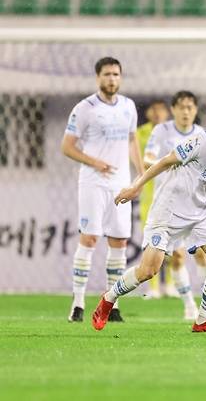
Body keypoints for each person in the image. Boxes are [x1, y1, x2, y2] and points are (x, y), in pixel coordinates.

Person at [91, 98, 206, 333]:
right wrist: (136, 186)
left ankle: (203, 319)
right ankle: (108, 299)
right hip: (169, 209)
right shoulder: (204, 140)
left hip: (200, 212)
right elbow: (166, 161)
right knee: (148, 271)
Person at [61, 57, 144, 323]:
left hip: (120, 182)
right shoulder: (85, 108)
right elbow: (67, 146)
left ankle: (113, 304)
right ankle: (77, 303)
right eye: (107, 74)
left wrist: (140, 174)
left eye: (116, 74)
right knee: (89, 239)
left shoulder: (129, 107)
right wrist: (95, 162)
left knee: (119, 241)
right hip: (93, 182)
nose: (112, 79)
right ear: (98, 77)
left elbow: (132, 140)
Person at [143, 91, 206, 320]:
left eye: (190, 107)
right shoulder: (161, 131)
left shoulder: (202, 135)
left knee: (203, 253)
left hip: (195, 203)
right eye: (181, 107)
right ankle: (189, 306)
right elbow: (147, 159)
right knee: (178, 257)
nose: (185, 111)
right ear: (173, 109)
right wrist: (171, 165)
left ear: (195, 110)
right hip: (169, 203)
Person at [135, 100, 172, 300]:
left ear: (168, 112)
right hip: (149, 195)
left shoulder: (173, 133)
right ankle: (154, 287)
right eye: (154, 109)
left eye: (161, 109)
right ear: (148, 112)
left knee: (174, 242)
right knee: (152, 242)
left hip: (170, 194)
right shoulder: (140, 133)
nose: (158, 113)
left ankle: (172, 285)